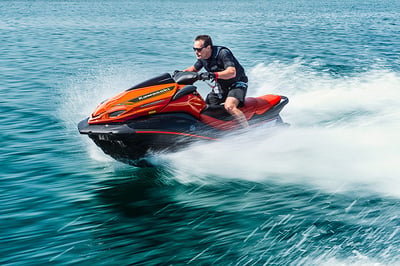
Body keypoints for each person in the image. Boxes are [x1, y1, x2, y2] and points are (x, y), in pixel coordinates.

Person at [184, 35, 249, 128]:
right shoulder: (202, 57)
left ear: (208, 47)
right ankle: (214, 129)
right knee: (204, 108)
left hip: (237, 83)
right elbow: (193, 69)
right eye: (194, 49)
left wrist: (213, 75)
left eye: (199, 49)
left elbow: (232, 72)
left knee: (229, 106)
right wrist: (179, 74)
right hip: (221, 86)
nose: (196, 52)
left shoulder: (223, 53)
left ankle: (247, 131)